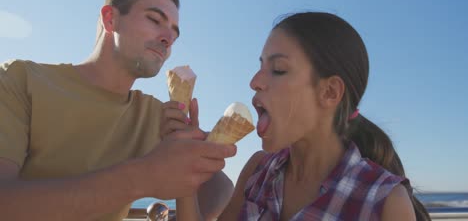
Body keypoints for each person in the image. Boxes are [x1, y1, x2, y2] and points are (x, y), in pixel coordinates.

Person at [0, 0, 236, 221]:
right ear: (110, 19)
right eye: (155, 20)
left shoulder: (157, 116)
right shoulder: (20, 80)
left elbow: (219, 186)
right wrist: (143, 176)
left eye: (174, 35)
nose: (168, 39)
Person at [174, 12, 431, 220]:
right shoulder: (257, 170)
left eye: (278, 69)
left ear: (329, 92)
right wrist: (186, 169)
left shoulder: (385, 202)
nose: (254, 81)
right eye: (260, 66)